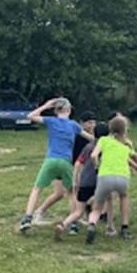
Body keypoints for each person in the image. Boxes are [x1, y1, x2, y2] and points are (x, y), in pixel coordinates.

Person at [20, 97, 91, 232]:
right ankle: (73, 223)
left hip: (50, 160)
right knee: (72, 192)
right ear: (69, 110)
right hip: (66, 162)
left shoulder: (51, 121)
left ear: (55, 110)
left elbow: (30, 116)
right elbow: (90, 137)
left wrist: (45, 106)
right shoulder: (73, 125)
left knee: (37, 188)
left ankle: (27, 218)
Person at [85, 114, 137, 244]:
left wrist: (97, 167)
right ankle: (124, 227)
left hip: (105, 176)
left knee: (97, 206)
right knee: (124, 197)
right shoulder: (127, 143)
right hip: (122, 176)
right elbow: (135, 157)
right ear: (125, 129)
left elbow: (94, 155)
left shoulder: (104, 140)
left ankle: (92, 224)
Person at [55, 121, 108, 239]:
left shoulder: (88, 147)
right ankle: (92, 224)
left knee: (78, 211)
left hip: (84, 181)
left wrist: (75, 180)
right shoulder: (107, 147)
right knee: (97, 209)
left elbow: (78, 164)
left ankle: (63, 225)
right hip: (100, 182)